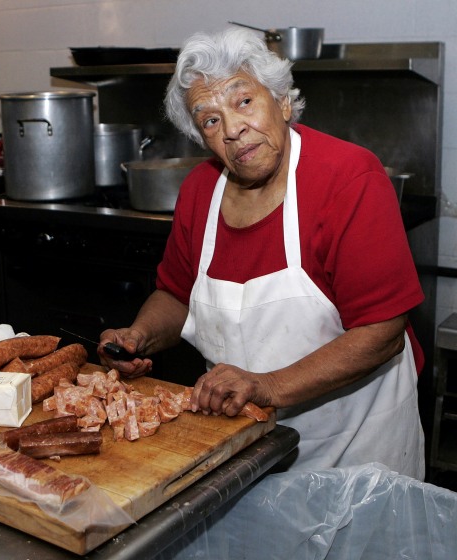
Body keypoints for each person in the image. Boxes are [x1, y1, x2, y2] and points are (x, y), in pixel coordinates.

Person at [98, 27, 426, 480]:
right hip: (244, 448)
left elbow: (383, 330)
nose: (232, 129)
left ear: (283, 101)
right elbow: (176, 294)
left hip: (356, 451)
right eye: (209, 120)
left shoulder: (349, 179)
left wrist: (266, 385)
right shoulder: (200, 192)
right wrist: (139, 335)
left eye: (244, 101)